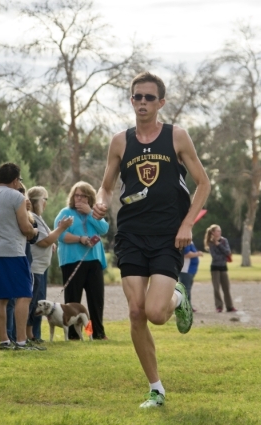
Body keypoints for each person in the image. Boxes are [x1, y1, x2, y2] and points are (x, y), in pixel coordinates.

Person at [92, 71, 211, 408]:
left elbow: (204, 183)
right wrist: (102, 201)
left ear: (161, 102)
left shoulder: (177, 137)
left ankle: (177, 296)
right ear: (131, 100)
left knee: (156, 313)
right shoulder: (120, 141)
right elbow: (106, 184)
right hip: (130, 233)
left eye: (148, 97)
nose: (142, 102)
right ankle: (156, 388)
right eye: (136, 97)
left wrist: (188, 223)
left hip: (167, 235)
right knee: (135, 311)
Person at [54, 181, 109, 340]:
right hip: (72, 262)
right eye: (77, 195)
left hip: (94, 261)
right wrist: (81, 239)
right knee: (72, 301)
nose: (79, 199)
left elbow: (104, 229)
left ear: (90, 198)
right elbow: (61, 235)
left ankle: (97, 333)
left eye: (84, 196)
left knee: (96, 299)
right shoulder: (65, 212)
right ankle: (73, 334)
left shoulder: (94, 213)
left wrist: (91, 212)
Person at [0, 162, 40, 351]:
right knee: (24, 294)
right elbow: (25, 227)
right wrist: (34, 232)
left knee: (1, 298)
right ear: (15, 180)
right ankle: (22, 341)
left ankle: (4, 340)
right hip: (13, 251)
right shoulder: (16, 196)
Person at [26, 186, 73, 342]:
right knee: (33, 303)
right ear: (39, 201)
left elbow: (47, 239)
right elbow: (44, 241)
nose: (46, 203)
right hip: (35, 268)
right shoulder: (32, 217)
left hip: (40, 267)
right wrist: (62, 228)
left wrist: (52, 241)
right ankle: (29, 335)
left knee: (37, 302)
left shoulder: (38, 217)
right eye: (44, 200)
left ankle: (35, 334)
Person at [6, 182, 38, 342]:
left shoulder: (27, 212)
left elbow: (33, 236)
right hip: (14, 253)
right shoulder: (9, 205)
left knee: (20, 297)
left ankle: (12, 337)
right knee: (14, 298)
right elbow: (27, 231)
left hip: (24, 254)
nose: (20, 194)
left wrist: (26, 212)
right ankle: (13, 337)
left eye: (22, 191)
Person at [204, 224, 237, 313]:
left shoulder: (224, 241)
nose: (219, 232)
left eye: (220, 230)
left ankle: (230, 306)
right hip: (215, 268)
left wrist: (219, 245)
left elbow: (228, 252)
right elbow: (214, 256)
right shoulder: (211, 243)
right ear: (213, 232)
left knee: (226, 288)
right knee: (216, 288)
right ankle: (219, 306)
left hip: (223, 267)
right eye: (218, 231)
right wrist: (223, 256)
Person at [179, 242, 203, 312]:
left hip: (190, 270)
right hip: (186, 270)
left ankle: (187, 306)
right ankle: (186, 307)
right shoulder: (186, 241)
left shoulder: (190, 241)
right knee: (186, 289)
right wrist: (198, 254)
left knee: (187, 288)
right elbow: (187, 254)